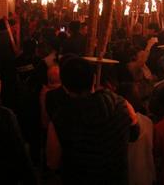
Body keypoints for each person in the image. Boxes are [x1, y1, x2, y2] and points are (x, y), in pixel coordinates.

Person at [46, 57, 139, 185]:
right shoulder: (120, 104)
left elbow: (53, 162)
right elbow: (135, 133)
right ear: (94, 79)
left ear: (65, 87)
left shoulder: (60, 118)